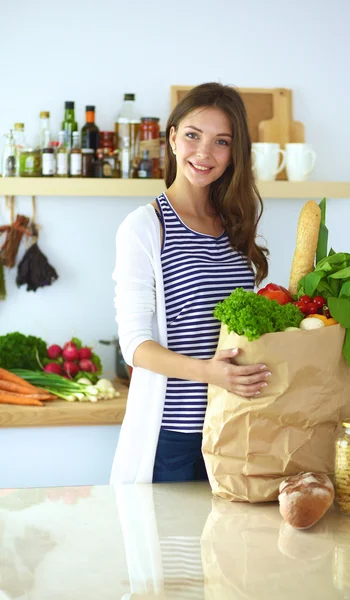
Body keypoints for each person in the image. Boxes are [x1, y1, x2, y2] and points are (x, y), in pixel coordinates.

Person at [110, 82, 270, 485]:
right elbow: (135, 345)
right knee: (173, 548)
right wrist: (209, 373)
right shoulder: (146, 227)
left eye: (221, 142)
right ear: (173, 138)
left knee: (232, 548)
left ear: (235, 153)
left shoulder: (236, 226)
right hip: (173, 437)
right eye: (193, 136)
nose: (204, 153)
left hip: (234, 426)